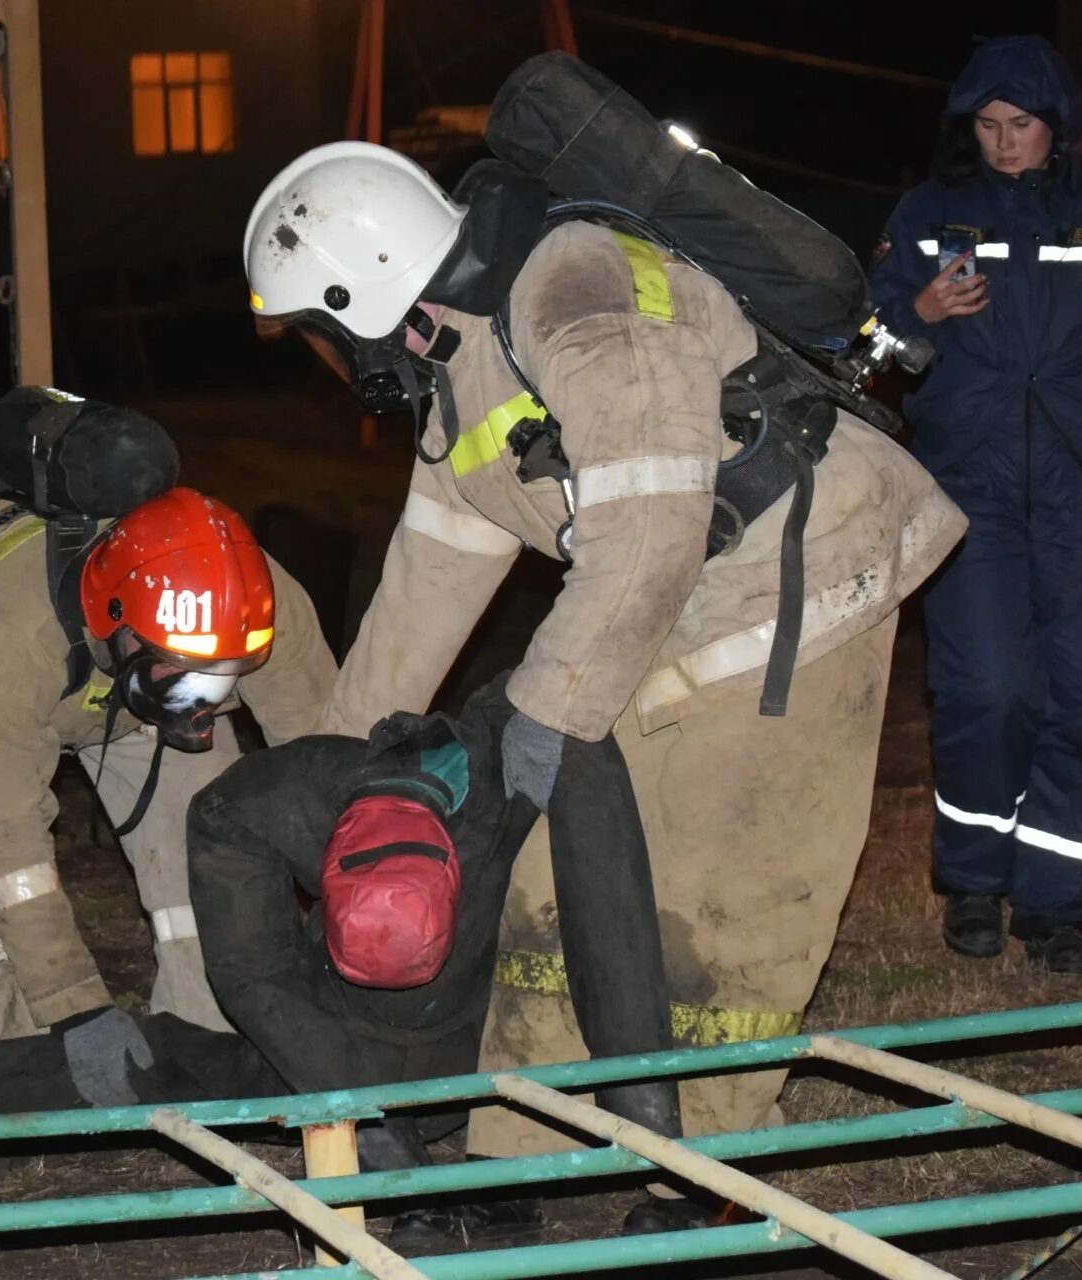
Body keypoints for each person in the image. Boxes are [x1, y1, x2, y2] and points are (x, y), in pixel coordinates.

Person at [242, 135, 966, 1166]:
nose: (327, 361)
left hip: (802, 580)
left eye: (318, 331)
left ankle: (702, 1167)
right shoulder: (461, 358)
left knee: (723, 900)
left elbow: (649, 529)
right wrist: (332, 779)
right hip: (661, 607)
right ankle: (523, 1139)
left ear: (358, 292)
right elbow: (424, 586)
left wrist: (544, 715)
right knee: (547, 885)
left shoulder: (578, 295)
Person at [0, 676, 679, 1250]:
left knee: (575, 915)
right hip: (335, 1034)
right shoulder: (251, 808)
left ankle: (505, 1172)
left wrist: (649, 1121)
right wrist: (384, 1148)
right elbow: (257, 983)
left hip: (487, 1021)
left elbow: (614, 926)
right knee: (156, 1063)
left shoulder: (519, 756)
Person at [868, 37, 1082, 975]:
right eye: (985, 124)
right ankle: (976, 883)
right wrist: (919, 316)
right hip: (967, 489)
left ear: (1057, 125)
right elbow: (860, 340)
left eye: (1020, 124)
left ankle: (1060, 905)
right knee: (986, 690)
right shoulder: (929, 213)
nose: (1003, 141)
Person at [0, 390, 336, 1046]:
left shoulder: (255, 601)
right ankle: (13, 1062)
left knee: (207, 831)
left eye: (224, 678)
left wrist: (355, 876)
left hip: (111, 669)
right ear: (124, 633)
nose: (202, 705)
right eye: (188, 680)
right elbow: (2, 839)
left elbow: (324, 751)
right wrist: (77, 1009)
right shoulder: (13, 646)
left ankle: (208, 1030)